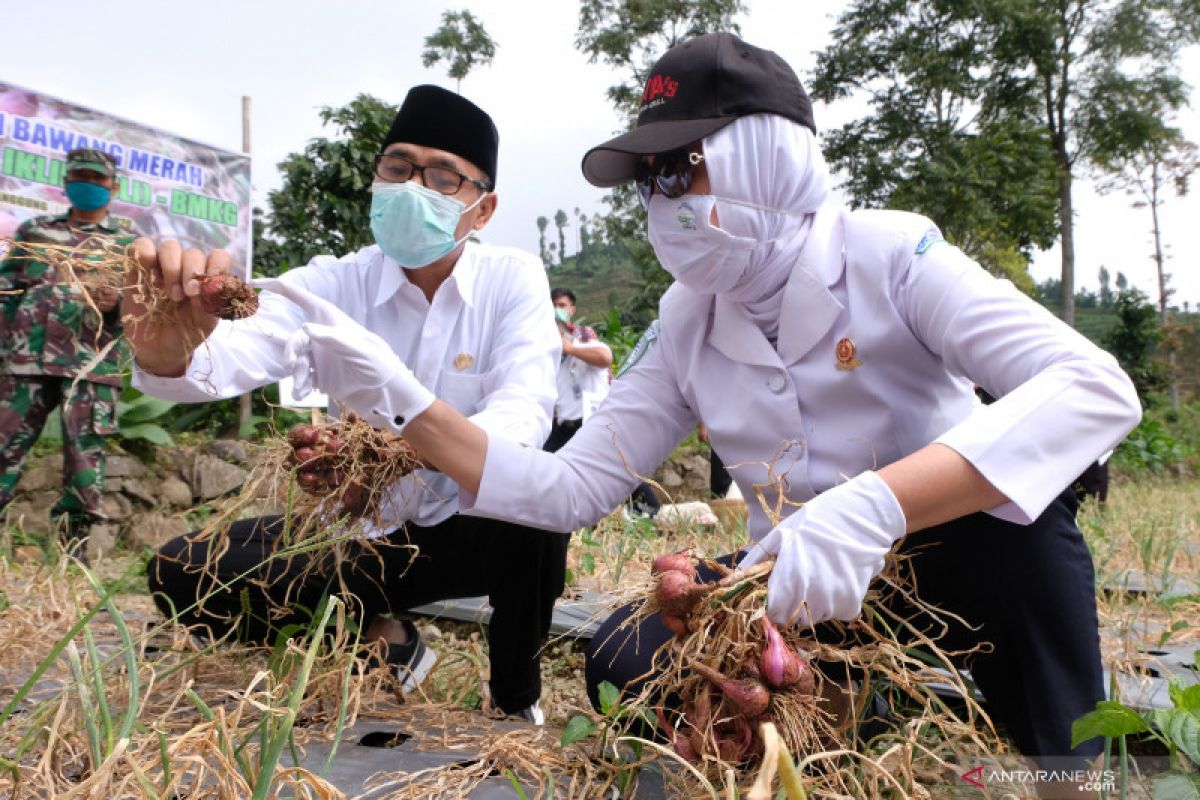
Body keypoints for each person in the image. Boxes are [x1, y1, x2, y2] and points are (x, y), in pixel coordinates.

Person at [190, 35, 1139, 777]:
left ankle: (1063, 763)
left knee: (1022, 546)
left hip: (952, 549)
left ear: (764, 158)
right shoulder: (687, 319)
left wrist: (878, 503)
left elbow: (1095, 388)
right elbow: (562, 490)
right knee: (624, 656)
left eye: (680, 169)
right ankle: (849, 702)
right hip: (804, 580)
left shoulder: (893, 254)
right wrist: (400, 398)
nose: (659, 200)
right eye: (648, 181)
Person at [128, 86, 565, 723]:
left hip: (465, 534)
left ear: (484, 208)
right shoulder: (336, 283)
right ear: (377, 178)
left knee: (538, 497)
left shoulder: (512, 279)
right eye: (398, 166)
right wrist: (172, 350)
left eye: (442, 176)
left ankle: (514, 700)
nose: (413, 185)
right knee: (182, 569)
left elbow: (522, 419)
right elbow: (249, 339)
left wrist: (399, 450)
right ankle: (383, 637)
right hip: (361, 535)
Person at [0, 148, 135, 559]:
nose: (88, 185)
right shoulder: (35, 230)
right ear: (66, 181)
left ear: (113, 186)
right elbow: (7, 291)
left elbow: (146, 306)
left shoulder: (129, 242)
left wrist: (118, 303)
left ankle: (72, 559)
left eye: (97, 179)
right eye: (80, 176)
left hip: (90, 364)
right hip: (26, 360)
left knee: (84, 462)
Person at [544, 288, 612, 452]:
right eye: (553, 305)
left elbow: (604, 358)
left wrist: (571, 349)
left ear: (572, 309)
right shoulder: (545, 346)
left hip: (590, 420)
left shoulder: (584, 335)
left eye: (561, 305)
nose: (556, 310)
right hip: (561, 423)